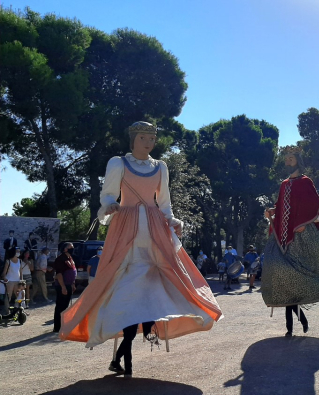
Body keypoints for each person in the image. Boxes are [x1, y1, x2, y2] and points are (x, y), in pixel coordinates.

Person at [58, 122, 222, 379]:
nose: (149, 142)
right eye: (144, 137)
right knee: (118, 273)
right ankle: (116, 333)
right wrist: (110, 206)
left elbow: (165, 203)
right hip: (126, 225)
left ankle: (155, 322)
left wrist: (173, 220)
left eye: (152, 138)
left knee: (168, 271)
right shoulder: (118, 163)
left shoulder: (160, 167)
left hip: (156, 228)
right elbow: (108, 195)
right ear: (133, 139)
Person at [262, 146, 319, 337]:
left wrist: (304, 222)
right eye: (286, 159)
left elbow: (314, 204)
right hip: (283, 238)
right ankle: (293, 326)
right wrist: (272, 212)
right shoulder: (284, 184)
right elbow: (281, 207)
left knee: (297, 280)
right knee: (281, 274)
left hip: (300, 234)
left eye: (291, 158)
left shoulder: (305, 182)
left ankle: (295, 325)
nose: (287, 162)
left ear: (298, 161)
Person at [53, 242, 77, 332]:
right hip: (62, 285)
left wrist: (73, 284)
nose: (72, 249)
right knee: (60, 306)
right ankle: (57, 327)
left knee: (65, 306)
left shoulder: (70, 258)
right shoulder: (60, 259)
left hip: (69, 284)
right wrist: (63, 286)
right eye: (70, 247)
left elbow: (72, 271)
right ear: (65, 249)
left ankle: (63, 325)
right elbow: (59, 274)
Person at [1, 247, 21, 315]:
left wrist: (22, 281)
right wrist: (4, 278)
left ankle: (16, 309)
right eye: (17, 251)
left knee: (18, 296)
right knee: (8, 297)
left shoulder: (19, 261)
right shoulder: (8, 261)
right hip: (10, 281)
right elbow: (4, 273)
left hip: (17, 281)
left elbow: (20, 272)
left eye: (19, 251)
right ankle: (7, 311)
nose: (18, 252)